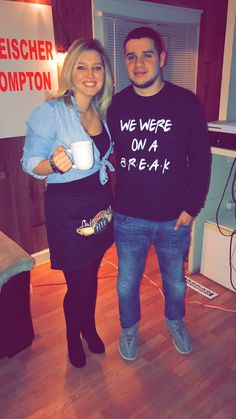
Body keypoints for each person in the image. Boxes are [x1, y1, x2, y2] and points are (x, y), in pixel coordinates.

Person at [107, 27, 211, 361]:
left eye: (147, 55)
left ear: (161, 58)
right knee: (126, 284)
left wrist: (192, 206)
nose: (139, 63)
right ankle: (129, 329)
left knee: (175, 282)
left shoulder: (185, 103)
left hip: (173, 218)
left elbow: (201, 159)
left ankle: (175, 321)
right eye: (131, 56)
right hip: (128, 217)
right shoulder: (117, 106)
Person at [22, 38, 115, 368]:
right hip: (68, 209)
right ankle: (74, 335)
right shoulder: (51, 111)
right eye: (82, 66)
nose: (90, 74)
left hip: (99, 206)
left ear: (105, 74)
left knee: (90, 273)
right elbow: (29, 162)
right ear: (69, 71)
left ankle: (88, 328)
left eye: (97, 67)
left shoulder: (100, 110)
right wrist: (53, 162)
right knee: (79, 282)